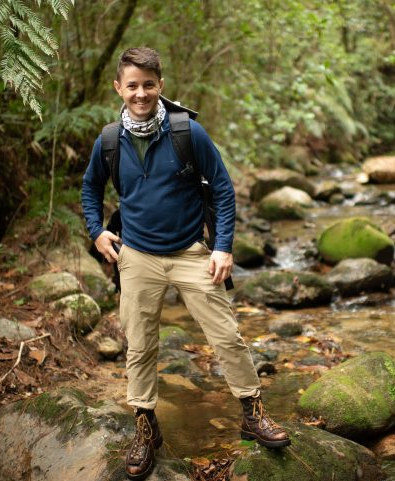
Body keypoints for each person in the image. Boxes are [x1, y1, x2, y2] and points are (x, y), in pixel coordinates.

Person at [81, 47, 290, 480]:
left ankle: (252, 414)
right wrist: (97, 231)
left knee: (227, 337)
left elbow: (223, 191)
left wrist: (223, 247)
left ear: (161, 86)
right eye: (132, 86)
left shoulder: (187, 132)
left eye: (149, 85)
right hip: (136, 257)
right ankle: (146, 428)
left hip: (192, 253)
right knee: (140, 346)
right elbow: (90, 191)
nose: (140, 94)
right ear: (118, 88)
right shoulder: (107, 141)